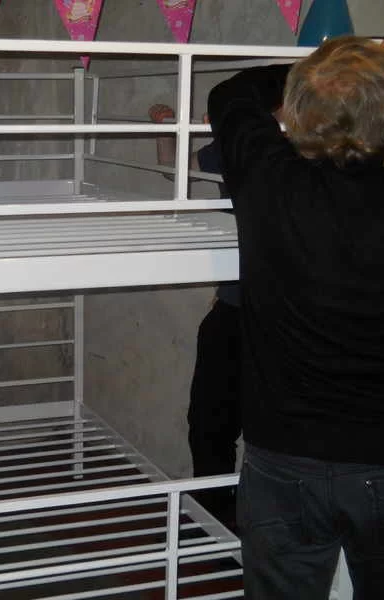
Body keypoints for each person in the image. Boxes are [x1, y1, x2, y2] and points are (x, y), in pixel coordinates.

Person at [207, 35, 384, 599]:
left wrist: (317, 72)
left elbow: (231, 94)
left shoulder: (267, 182)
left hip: (282, 465)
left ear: (300, 114)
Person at [148, 104, 241, 528]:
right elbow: (176, 171)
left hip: (283, 320)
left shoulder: (312, 149)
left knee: (275, 442)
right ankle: (216, 528)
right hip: (233, 311)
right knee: (207, 427)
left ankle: (248, 535)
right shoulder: (239, 144)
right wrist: (165, 128)